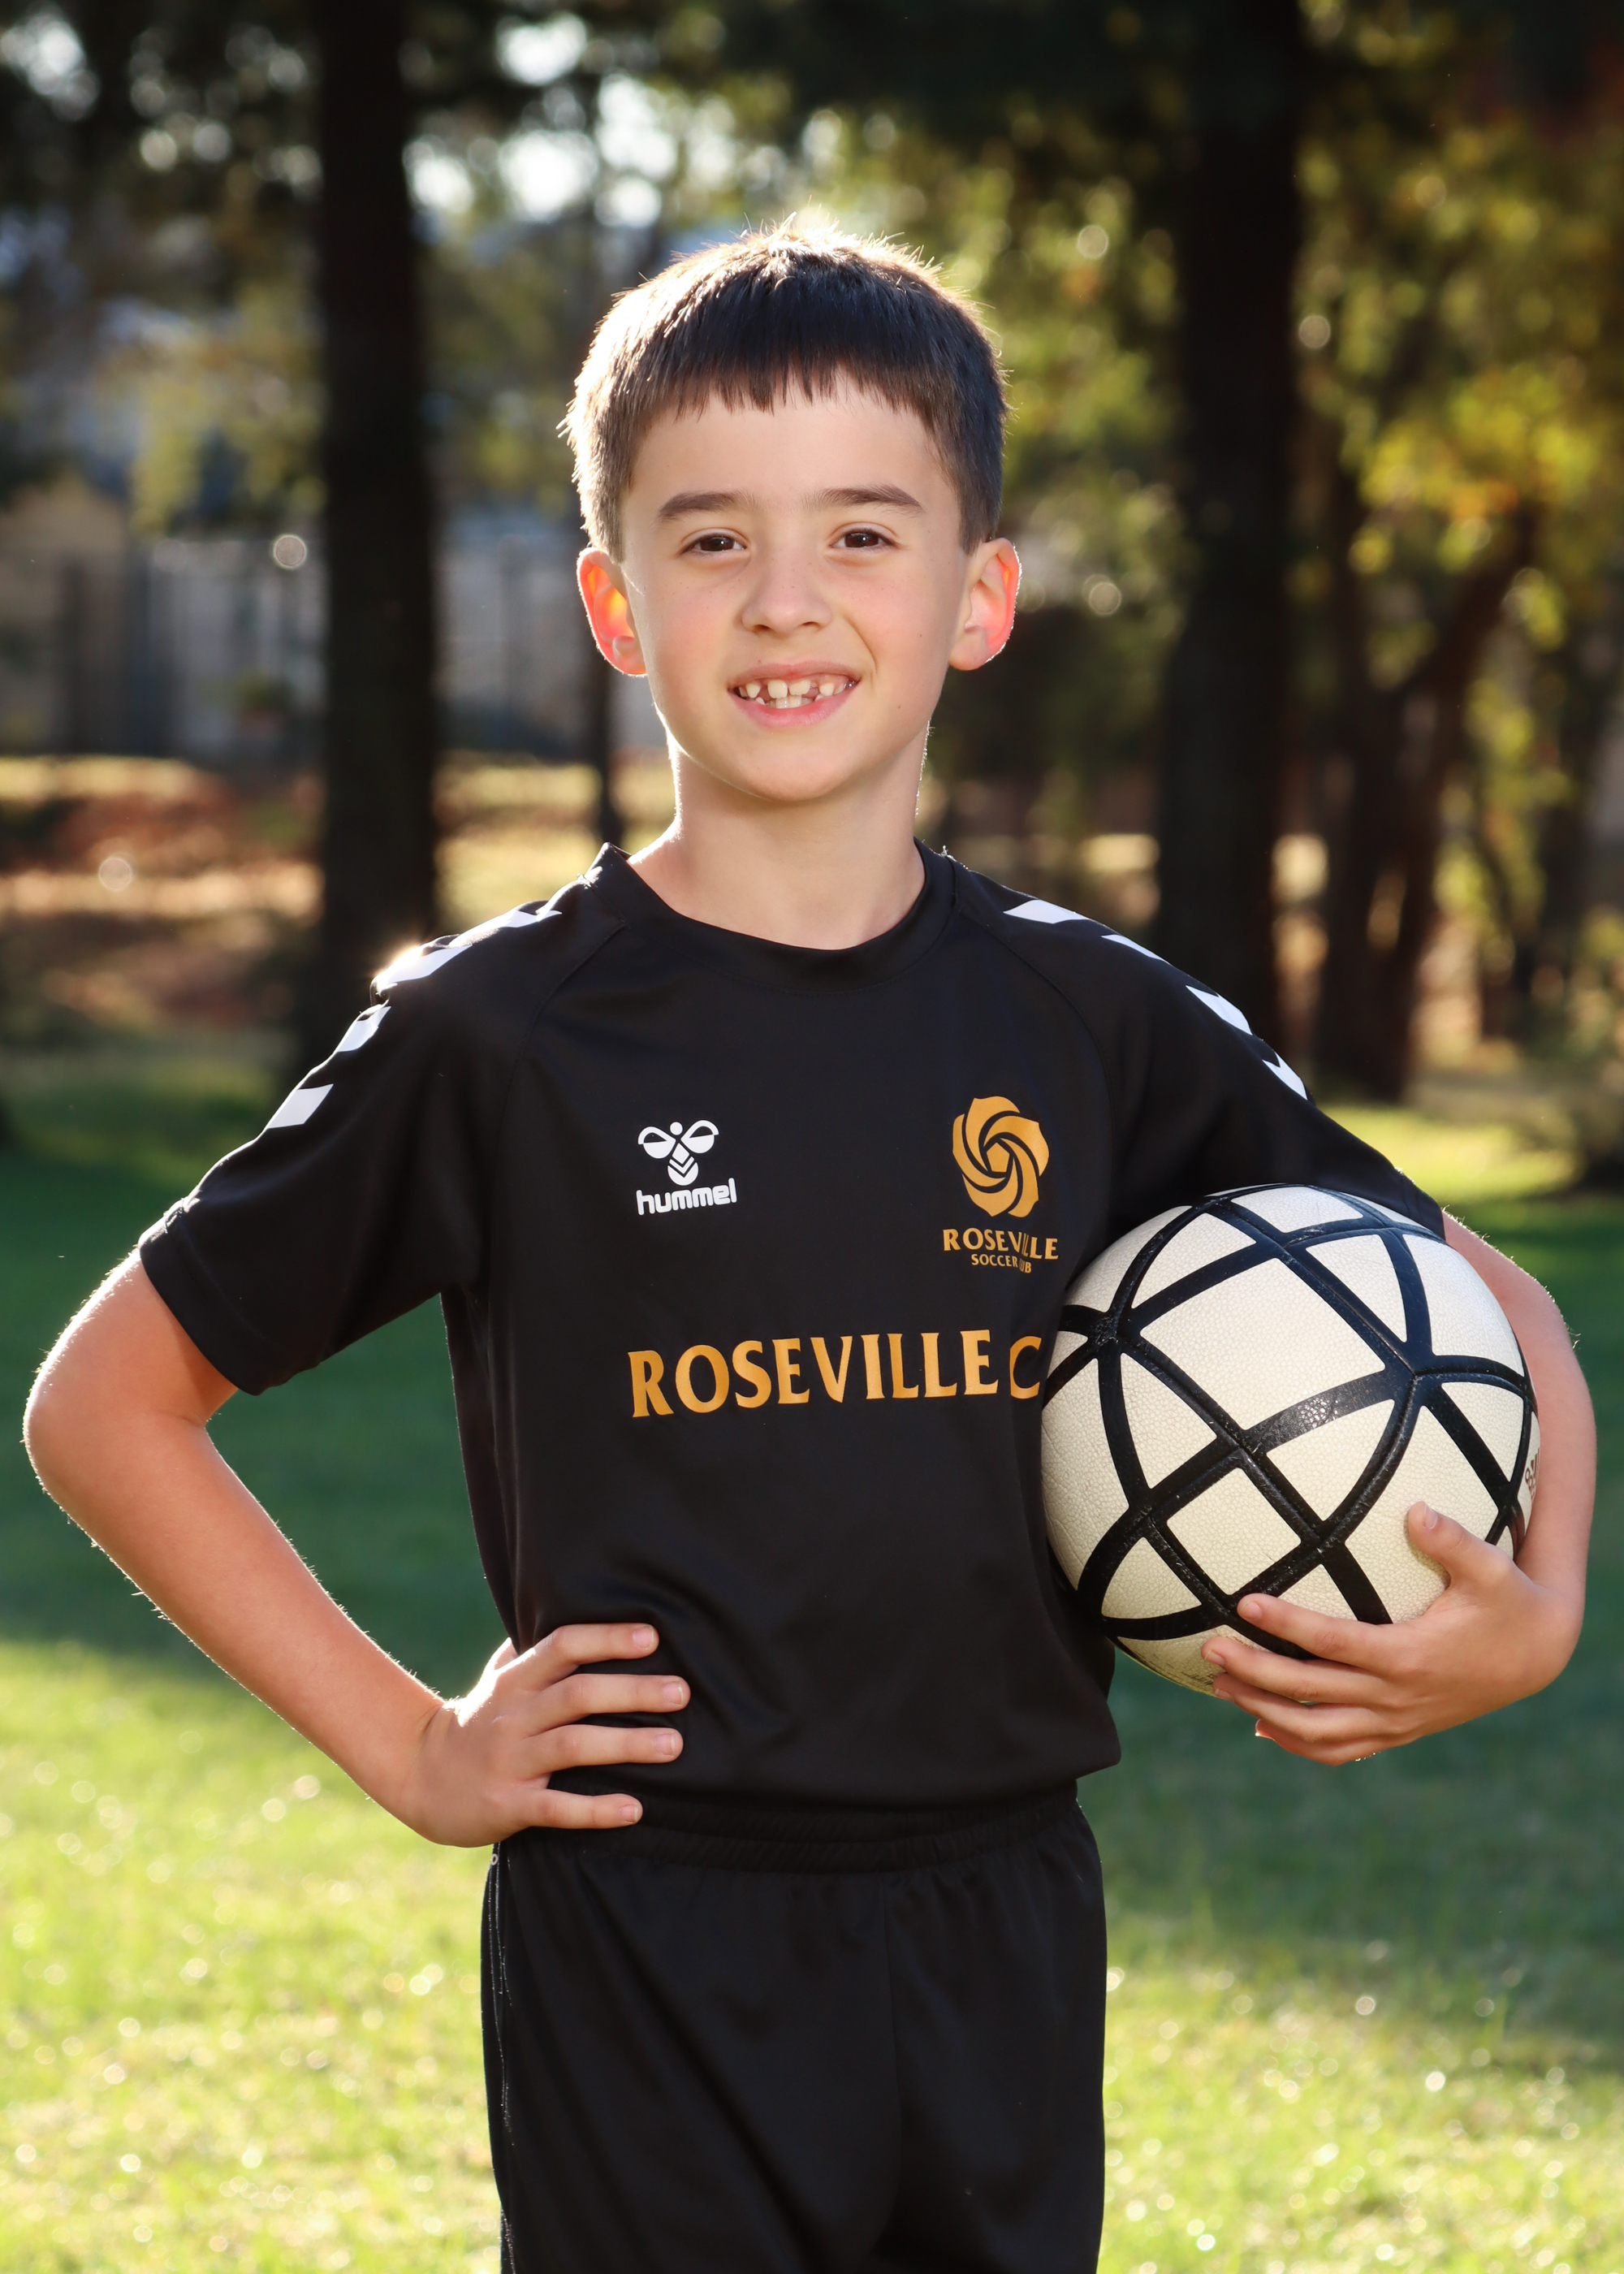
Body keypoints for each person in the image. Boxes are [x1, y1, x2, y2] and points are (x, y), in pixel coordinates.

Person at [24, 227, 1594, 2274]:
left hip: (1004, 1910)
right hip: (648, 1926)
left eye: (862, 531)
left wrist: (1534, 1613)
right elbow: (107, 1404)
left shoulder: (1091, 1020)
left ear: (978, 596)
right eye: (712, 540)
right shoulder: (501, 1031)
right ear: (615, 603)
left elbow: (1501, 1307)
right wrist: (414, 1742)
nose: (786, 599)